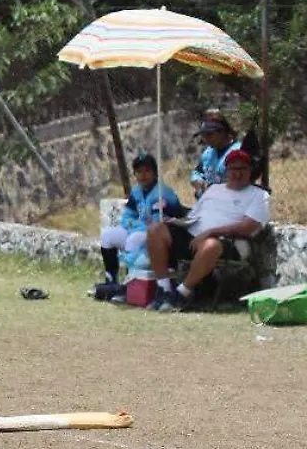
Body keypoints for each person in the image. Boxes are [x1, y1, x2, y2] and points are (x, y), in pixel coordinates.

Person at [146, 149, 270, 312]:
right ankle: (164, 290)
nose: (237, 173)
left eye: (242, 169)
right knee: (156, 229)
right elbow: (194, 215)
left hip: (229, 242)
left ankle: (181, 294)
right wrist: (177, 221)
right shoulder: (214, 189)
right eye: (233, 169)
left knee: (211, 245)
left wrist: (212, 232)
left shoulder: (258, 195)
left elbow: (249, 226)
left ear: (250, 171)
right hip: (195, 235)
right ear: (227, 170)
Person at [99, 152, 185, 286]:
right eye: (139, 171)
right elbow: (127, 217)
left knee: (135, 238)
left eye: (147, 170)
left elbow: (157, 224)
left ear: (155, 173)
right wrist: (135, 226)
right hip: (138, 231)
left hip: (160, 239)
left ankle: (130, 285)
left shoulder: (163, 193)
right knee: (107, 235)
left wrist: (135, 227)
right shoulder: (137, 191)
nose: (143, 175)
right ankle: (111, 279)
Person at [190, 112, 243, 199]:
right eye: (203, 135)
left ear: (222, 132)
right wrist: (197, 181)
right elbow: (198, 172)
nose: (206, 138)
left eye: (210, 134)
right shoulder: (208, 153)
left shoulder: (238, 152)